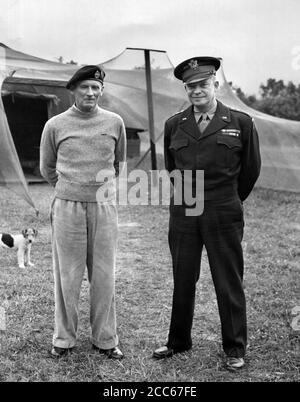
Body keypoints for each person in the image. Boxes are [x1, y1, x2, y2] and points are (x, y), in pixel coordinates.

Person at [153, 57, 261, 370]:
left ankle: (234, 347)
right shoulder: (175, 124)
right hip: (185, 206)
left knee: (227, 279)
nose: (196, 90)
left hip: (222, 208)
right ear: (185, 88)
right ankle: (178, 341)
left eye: (202, 84)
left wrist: (227, 199)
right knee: (183, 276)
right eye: (190, 86)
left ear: (215, 83)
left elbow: (250, 170)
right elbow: (172, 169)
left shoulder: (240, 122)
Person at [40, 65, 126, 359]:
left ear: (101, 90)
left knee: (104, 275)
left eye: (95, 87)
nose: (91, 92)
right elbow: (47, 168)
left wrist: (98, 190)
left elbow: (119, 164)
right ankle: (63, 339)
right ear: (73, 91)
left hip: (104, 207)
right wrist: (70, 189)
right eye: (84, 87)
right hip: (67, 207)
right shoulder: (55, 125)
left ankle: (106, 338)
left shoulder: (115, 122)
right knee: (68, 275)